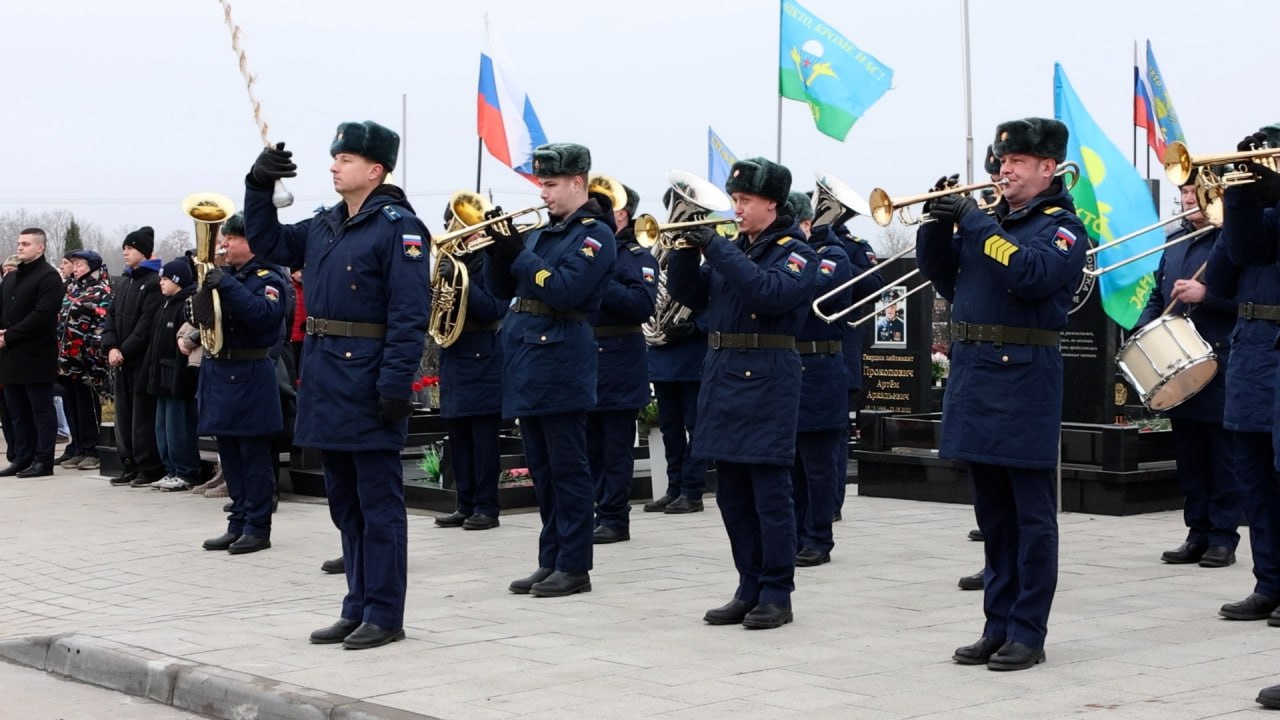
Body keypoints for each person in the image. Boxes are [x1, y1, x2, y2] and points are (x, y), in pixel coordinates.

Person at [245, 121, 429, 650]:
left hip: (369, 377)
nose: (333, 166)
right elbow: (270, 241)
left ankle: (385, 612)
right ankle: (356, 605)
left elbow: (409, 314)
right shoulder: (326, 224)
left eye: (345, 159)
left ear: (374, 170)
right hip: (327, 375)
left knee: (378, 505)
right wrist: (259, 188)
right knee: (344, 504)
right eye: (334, 158)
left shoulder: (399, 228)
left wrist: (395, 383)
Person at [917, 118, 1087, 670]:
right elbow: (947, 280)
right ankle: (996, 624)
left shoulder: (1061, 227)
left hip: (1024, 376)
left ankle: (1028, 631)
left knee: (1030, 516)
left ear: (1047, 167)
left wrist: (972, 222)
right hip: (976, 373)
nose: (1004, 169)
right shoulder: (992, 222)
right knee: (991, 514)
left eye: (1017, 162)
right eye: (1001, 160)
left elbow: (1031, 274)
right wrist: (936, 227)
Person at [667, 157, 818, 629]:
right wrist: (687, 252)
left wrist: (714, 245)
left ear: (772, 203)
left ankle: (777, 591)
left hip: (768, 376)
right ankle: (747, 584)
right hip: (723, 373)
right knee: (731, 494)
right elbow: (690, 294)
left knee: (769, 495)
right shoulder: (736, 249)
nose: (736, 209)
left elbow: (767, 295)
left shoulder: (796, 252)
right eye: (734, 200)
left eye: (745, 201)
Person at [483, 143, 616, 598]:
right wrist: (497, 250)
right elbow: (502, 289)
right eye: (541, 183)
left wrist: (518, 253)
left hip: (562, 359)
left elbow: (563, 291)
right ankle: (551, 558)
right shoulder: (544, 233)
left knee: (568, 468)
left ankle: (575, 565)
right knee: (541, 468)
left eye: (552, 184)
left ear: (578, 182)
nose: (543, 193)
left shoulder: (595, 234)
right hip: (529, 359)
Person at [1141, 175, 1239, 570]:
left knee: (1221, 455)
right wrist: (1145, 328)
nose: (1186, 199)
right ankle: (1196, 532)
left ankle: (1223, 537)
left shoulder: (1231, 239)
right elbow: (1156, 292)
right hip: (1176, 361)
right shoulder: (1176, 239)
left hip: (1218, 359)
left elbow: (1249, 300)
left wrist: (1207, 296)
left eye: (1192, 192)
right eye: (1182, 193)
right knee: (1189, 455)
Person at [1215, 124, 1280, 711]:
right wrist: (1239, 193)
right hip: (1256, 352)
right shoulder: (1260, 206)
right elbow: (1237, 257)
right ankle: (1270, 584)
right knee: (1256, 483)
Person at [197, 212, 287, 549]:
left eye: (230, 239)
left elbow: (263, 317)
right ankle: (237, 521)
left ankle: (258, 528)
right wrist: (202, 288)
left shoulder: (269, 278)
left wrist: (225, 284)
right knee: (230, 455)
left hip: (251, 373)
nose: (223, 245)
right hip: (221, 371)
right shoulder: (228, 276)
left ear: (249, 242)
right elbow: (201, 318)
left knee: (253, 457)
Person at [590, 182, 657, 544]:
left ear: (621, 214)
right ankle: (593, 512)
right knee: (588, 448)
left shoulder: (636, 255)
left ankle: (615, 518)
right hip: (585, 357)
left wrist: (600, 279)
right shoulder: (587, 248)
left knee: (614, 448)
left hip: (619, 359)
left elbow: (642, 305)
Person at [435, 204, 507, 532]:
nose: (458, 228)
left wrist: (462, 284)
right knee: (458, 436)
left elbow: (494, 308)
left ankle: (487, 507)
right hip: (454, 352)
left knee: (483, 439)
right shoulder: (451, 261)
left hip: (482, 353)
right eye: (453, 222)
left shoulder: (490, 259)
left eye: (466, 224)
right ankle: (464, 503)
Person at [788, 191, 850, 567]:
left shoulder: (833, 256)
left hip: (820, 366)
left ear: (808, 225)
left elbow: (809, 290)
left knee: (818, 464)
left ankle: (819, 537)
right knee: (791, 463)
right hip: (790, 365)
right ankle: (795, 534)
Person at [642, 192, 710, 516]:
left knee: (694, 424)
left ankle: (693, 491)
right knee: (669, 427)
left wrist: (697, 326)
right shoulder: (661, 255)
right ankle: (673, 487)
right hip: (663, 351)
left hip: (692, 352)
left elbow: (719, 302)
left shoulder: (708, 257)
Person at [100, 226, 165, 487]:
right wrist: (111, 347)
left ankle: (148, 466)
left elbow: (146, 325)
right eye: (124, 248)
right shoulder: (125, 281)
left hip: (141, 362)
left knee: (142, 417)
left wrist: (124, 350)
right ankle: (128, 462)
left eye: (130, 248)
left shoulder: (152, 283)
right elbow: (111, 318)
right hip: (121, 361)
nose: (125, 252)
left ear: (145, 252)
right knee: (123, 416)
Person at [0, 228, 67, 478]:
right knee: (17, 411)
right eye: (19, 243)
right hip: (10, 357)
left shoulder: (48, 277)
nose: (20, 247)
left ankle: (43, 460)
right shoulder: (11, 278)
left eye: (26, 244)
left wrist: (9, 336)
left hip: (36, 356)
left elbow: (42, 315)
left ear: (40, 248)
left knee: (40, 410)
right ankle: (22, 457)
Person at [144, 258, 200, 491]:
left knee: (179, 426)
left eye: (166, 279)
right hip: (161, 376)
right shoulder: (164, 305)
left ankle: (186, 470)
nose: (161, 284)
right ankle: (171, 469)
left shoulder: (187, 304)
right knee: (163, 427)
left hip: (178, 376)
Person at [57, 250, 111, 471]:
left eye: (80, 264)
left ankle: (92, 450)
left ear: (92, 267)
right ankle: (78, 447)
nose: (76, 268)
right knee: (72, 403)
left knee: (87, 403)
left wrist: (92, 352)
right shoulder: (73, 288)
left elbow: (103, 323)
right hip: (67, 358)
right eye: (74, 264)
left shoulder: (101, 291)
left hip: (87, 360)